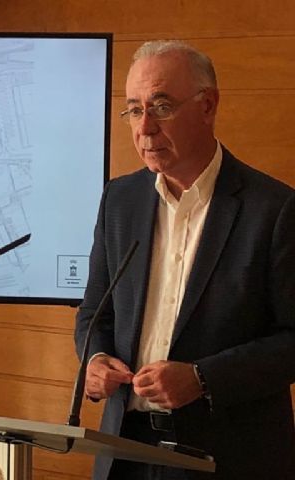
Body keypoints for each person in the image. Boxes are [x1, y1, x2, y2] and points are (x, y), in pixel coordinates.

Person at [74, 40, 295, 480]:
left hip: (227, 455)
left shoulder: (274, 209)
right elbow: (94, 314)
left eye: (161, 107)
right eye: (134, 110)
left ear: (207, 105)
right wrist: (95, 360)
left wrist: (202, 378)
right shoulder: (119, 200)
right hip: (125, 450)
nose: (145, 128)